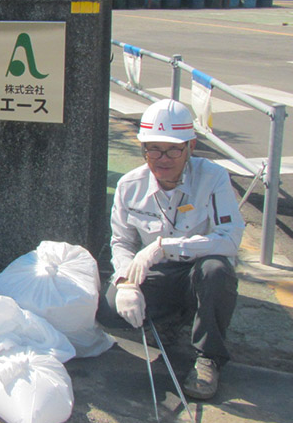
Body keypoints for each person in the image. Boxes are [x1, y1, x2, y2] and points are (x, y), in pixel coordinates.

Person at [97, 98, 244, 400]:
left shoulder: (213, 178)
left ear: (190, 147)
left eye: (173, 149)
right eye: (154, 149)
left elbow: (229, 239)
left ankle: (208, 358)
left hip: (197, 271)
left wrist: (165, 247)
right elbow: (122, 241)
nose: (163, 158)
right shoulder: (130, 186)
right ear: (143, 150)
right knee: (110, 311)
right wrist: (126, 282)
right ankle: (178, 317)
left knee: (216, 272)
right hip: (159, 274)